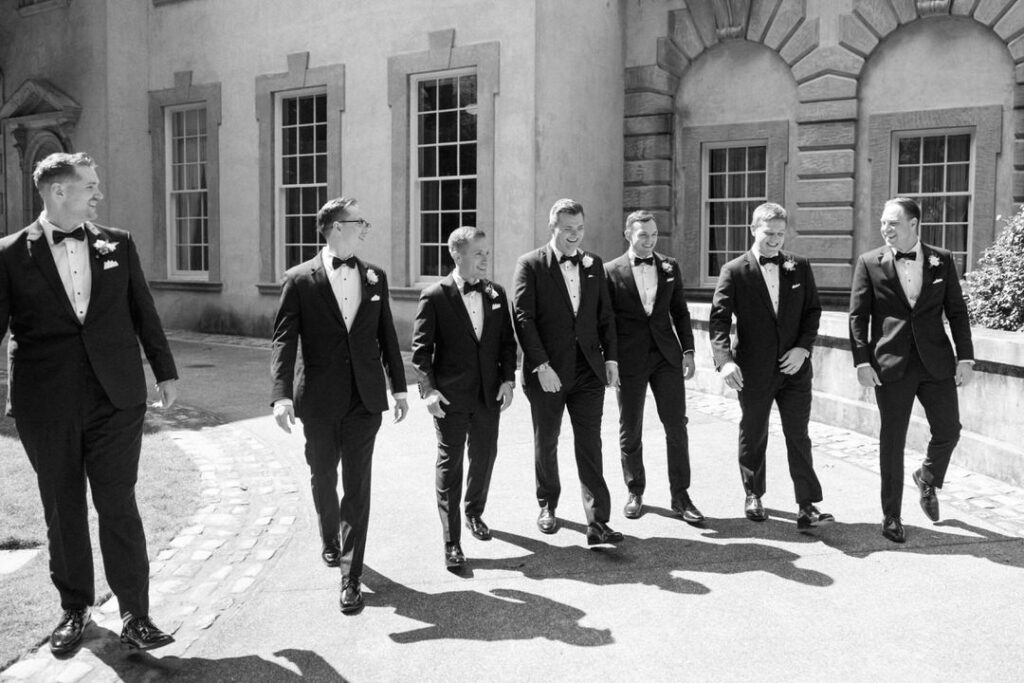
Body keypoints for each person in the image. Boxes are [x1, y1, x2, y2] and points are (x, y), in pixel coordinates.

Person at [0, 152, 179, 654]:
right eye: (89, 186)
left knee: (118, 503)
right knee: (63, 507)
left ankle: (136, 616)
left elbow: (142, 309)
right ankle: (75, 609)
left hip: (116, 397)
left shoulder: (117, 243)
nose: (98, 194)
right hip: (45, 403)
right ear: (58, 192)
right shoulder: (10, 254)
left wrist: (164, 370)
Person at [270, 197, 408, 614]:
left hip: (365, 398)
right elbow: (283, 340)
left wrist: (399, 389)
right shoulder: (299, 279)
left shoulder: (375, 277)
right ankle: (329, 535)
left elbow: (386, 336)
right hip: (318, 398)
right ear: (333, 226)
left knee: (358, 484)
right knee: (322, 473)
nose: (365, 229)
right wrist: (280, 396)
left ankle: (352, 577)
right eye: (358, 222)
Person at [849, 196, 974, 543]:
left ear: (914, 224)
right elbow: (858, 316)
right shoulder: (869, 262)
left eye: (893, 223)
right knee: (892, 441)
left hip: (936, 362)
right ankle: (891, 516)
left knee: (949, 429)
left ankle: (928, 477)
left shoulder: (942, 260)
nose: (885, 229)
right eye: (883, 223)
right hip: (891, 365)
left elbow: (957, 312)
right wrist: (861, 360)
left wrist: (965, 357)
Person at [709, 202, 834, 530]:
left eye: (780, 233)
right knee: (753, 431)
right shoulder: (734, 270)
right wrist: (724, 362)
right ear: (753, 230)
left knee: (799, 434)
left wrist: (803, 349)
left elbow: (813, 312)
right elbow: (719, 321)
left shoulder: (799, 266)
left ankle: (807, 506)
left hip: (794, 369)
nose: (776, 240)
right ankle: (753, 493)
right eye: (769, 233)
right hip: (753, 369)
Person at [511, 198, 623, 546]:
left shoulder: (594, 265)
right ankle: (547, 504)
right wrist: (541, 365)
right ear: (552, 228)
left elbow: (605, 316)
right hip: (548, 372)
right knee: (547, 441)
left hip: (589, 370)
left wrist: (611, 360)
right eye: (567, 229)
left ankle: (598, 521)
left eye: (579, 229)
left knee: (590, 442)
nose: (574, 236)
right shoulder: (530, 265)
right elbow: (523, 319)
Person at [411, 227, 518, 570]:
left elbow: (506, 343)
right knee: (450, 465)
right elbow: (421, 351)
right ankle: (451, 540)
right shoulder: (434, 296)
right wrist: (428, 391)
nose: (485, 259)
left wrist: (507, 380)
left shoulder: (496, 293)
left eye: (487, 252)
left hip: (489, 396)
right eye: (478, 253)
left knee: (484, 458)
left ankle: (474, 513)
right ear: (457, 255)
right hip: (450, 398)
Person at [604, 211, 703, 523]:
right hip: (629, 359)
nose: (649, 240)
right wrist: (611, 360)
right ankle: (635, 490)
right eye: (642, 235)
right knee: (630, 426)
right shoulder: (610, 271)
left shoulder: (670, 265)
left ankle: (681, 495)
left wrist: (688, 350)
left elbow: (681, 311)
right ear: (628, 234)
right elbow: (604, 322)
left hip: (666, 356)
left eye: (653, 234)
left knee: (676, 425)